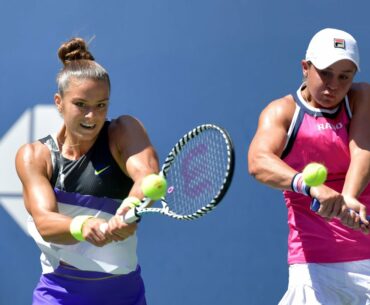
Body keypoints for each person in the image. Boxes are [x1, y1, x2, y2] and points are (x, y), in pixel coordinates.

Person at [15, 37, 159, 305]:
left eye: (101, 105)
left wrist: (130, 208)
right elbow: (45, 222)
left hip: (124, 296)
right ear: (59, 102)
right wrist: (83, 225)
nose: (92, 116)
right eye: (81, 105)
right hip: (58, 297)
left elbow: (148, 177)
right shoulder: (35, 157)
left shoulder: (122, 132)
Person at [248, 28, 370, 304]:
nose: (333, 85)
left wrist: (348, 197)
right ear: (306, 68)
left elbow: (363, 151)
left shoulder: (362, 98)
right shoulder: (283, 112)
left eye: (344, 77)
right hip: (313, 268)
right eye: (325, 73)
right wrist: (309, 186)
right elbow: (258, 162)